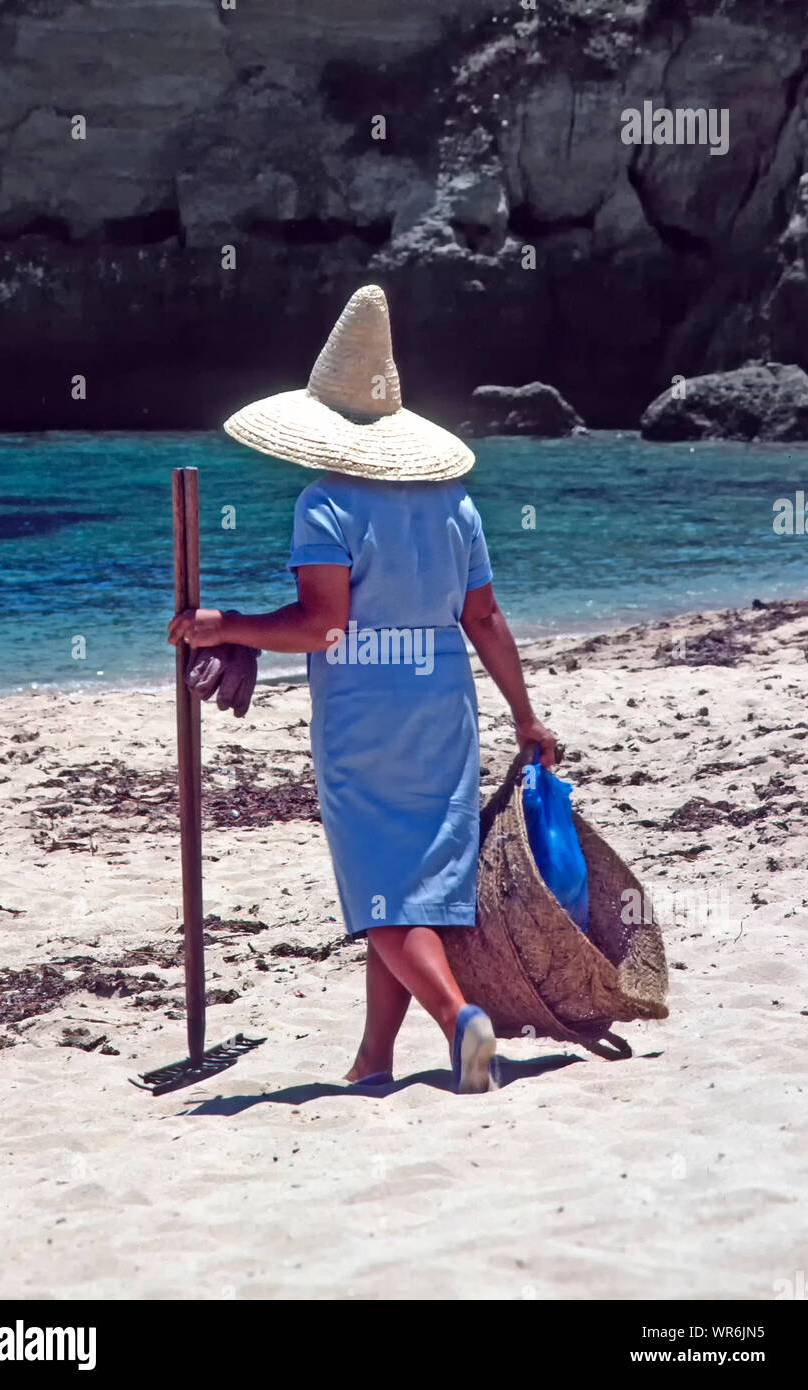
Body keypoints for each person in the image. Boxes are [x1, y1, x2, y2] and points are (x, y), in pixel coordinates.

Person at [168, 285, 557, 1093]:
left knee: (382, 892)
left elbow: (322, 628)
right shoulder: (455, 503)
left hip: (365, 710)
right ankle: (374, 1058)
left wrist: (228, 623)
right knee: (414, 880)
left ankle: (461, 1023)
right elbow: (484, 619)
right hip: (445, 704)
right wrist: (525, 714)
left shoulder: (326, 504)